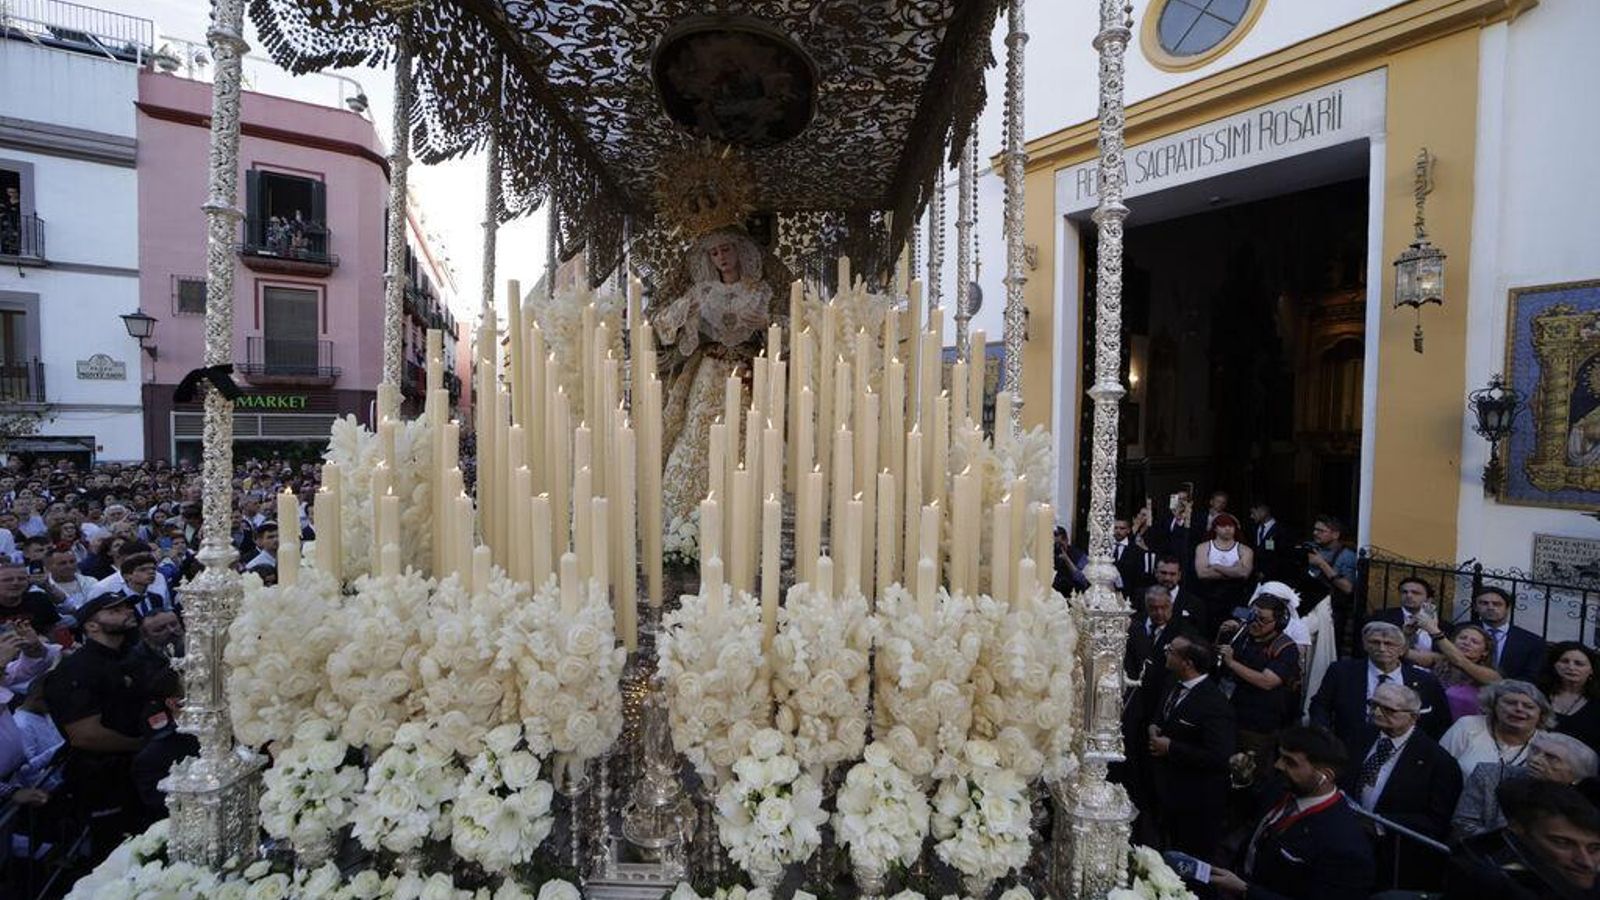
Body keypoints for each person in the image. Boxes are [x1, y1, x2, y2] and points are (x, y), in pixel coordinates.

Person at [654, 227, 778, 523]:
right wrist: (684, 309)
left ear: (739, 251)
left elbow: (792, 328)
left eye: (726, 249)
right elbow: (663, 325)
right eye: (714, 252)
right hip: (708, 371)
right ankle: (689, 514)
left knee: (746, 434)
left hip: (748, 372)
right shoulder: (702, 291)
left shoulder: (759, 291)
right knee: (698, 431)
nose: (721, 257)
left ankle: (741, 512)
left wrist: (767, 322)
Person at [1210, 725, 1376, 900]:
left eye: (1290, 762)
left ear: (1325, 775)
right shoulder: (1283, 787)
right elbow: (1253, 811)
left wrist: (1246, 891)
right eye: (1280, 757)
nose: (1278, 765)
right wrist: (1242, 782)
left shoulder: (1344, 845)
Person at [44, 592, 148, 853]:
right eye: (115, 610)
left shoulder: (129, 657)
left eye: (127, 607)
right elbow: (86, 735)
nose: (127, 612)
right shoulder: (76, 670)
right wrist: (141, 744)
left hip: (138, 774)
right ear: (91, 625)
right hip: (105, 780)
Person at [1343, 682, 1462, 890]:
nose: (1377, 713)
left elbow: (1437, 821)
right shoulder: (1361, 735)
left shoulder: (1439, 763)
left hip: (1396, 856)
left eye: (1388, 710)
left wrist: (1379, 824)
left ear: (1413, 717)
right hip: (1349, 842)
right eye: (1373, 705)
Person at [1147, 635, 1235, 862]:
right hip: (1167, 790)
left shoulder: (1214, 705)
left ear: (1187, 663)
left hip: (1195, 802)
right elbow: (1163, 711)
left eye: (1172, 650)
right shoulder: (1173, 681)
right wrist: (1155, 725)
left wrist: (1172, 748)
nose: (1166, 651)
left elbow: (1219, 756)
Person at [1445, 779, 1600, 900]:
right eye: (1562, 843)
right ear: (1518, 830)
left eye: (1594, 848)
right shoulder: (1486, 883)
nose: (1586, 862)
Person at [1310, 620, 1451, 749]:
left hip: (1403, 751)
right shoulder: (1341, 672)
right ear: (1365, 645)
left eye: (1389, 644)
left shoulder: (1425, 681)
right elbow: (1320, 705)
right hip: (1347, 747)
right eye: (1375, 642)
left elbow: (1440, 720)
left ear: (1402, 650)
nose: (1382, 648)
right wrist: (1325, 736)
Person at [1453, 732, 1599, 839]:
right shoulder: (1489, 776)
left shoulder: (1586, 805)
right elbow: (1462, 825)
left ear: (1576, 775)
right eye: (1535, 751)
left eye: (1551, 758)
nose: (1536, 759)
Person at [1220, 594, 1301, 773]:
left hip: (1258, 725)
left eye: (1262, 620)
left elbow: (1267, 681)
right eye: (1252, 616)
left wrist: (1232, 663)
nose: (1255, 623)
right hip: (1231, 714)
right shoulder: (1244, 635)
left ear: (1278, 623)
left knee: (1248, 772)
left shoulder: (1285, 648)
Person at [1440, 679, 1555, 777]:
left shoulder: (1548, 744)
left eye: (1529, 706)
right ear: (1493, 706)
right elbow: (1440, 769)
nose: (1519, 709)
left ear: (1541, 714)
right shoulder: (1467, 726)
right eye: (1510, 703)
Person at [1417, 615, 1502, 720]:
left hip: (1468, 731)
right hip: (1435, 725)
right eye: (1462, 638)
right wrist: (1408, 632)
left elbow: (1460, 661)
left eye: (1474, 642)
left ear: (1485, 652)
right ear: (1453, 642)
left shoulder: (1491, 675)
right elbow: (1404, 652)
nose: (1466, 643)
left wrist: (1434, 631)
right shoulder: (1438, 660)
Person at [1194, 512, 1255, 634]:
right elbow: (1202, 573)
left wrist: (1216, 566)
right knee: (1208, 632)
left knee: (1235, 631)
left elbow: (1244, 574)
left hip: (1237, 600)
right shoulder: (1203, 547)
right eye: (1223, 526)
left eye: (1231, 526)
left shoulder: (1245, 550)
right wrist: (1233, 570)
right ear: (1215, 528)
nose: (1228, 529)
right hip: (1209, 600)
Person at [1304, 514, 1358, 643]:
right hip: (1308, 604)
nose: (1315, 533)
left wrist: (1322, 564)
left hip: (1332, 608)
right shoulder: (1311, 548)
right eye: (1315, 529)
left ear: (1335, 535)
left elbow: (1348, 588)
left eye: (1321, 531)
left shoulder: (1347, 555)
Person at [1473, 586, 1546, 681]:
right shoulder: (1461, 631)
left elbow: (1531, 677)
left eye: (1497, 604)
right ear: (1475, 607)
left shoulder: (1531, 642)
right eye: (1484, 603)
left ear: (1508, 608)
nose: (1490, 607)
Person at [1540, 642, 1600, 752]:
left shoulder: (1597, 702)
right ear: (1554, 665)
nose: (1571, 667)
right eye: (1564, 661)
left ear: (1591, 670)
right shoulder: (1539, 694)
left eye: (1579, 664)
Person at [1371, 575, 1438, 657]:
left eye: (1415, 593)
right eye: (1404, 592)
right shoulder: (1382, 617)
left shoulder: (1442, 626)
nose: (1409, 595)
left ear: (1428, 600)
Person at [0, 557, 60, 635]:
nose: (15, 583)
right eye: (7, 580)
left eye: (21, 579)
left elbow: (55, 632)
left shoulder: (40, 600)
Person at [1152, 554, 1206, 633]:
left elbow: (1200, 636)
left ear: (1179, 575)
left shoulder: (1195, 603)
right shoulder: (1141, 597)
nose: (1167, 578)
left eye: (1172, 574)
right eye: (1163, 573)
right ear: (1156, 573)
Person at [40, 545, 98, 612]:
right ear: (48, 567)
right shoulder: (43, 590)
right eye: (62, 563)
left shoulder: (91, 581)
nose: (69, 566)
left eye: (72, 561)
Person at [1112, 517, 1157, 600]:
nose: (1118, 531)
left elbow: (1139, 577)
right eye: (1115, 528)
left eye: (1122, 528)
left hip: (1128, 596)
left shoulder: (1137, 551)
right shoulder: (1106, 547)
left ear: (1128, 530)